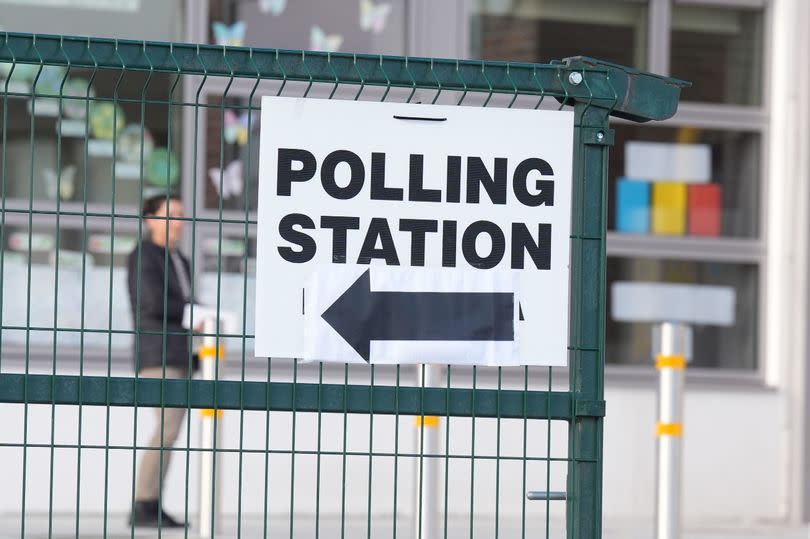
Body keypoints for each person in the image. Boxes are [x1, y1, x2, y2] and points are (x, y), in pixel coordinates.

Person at [127, 193, 195, 528]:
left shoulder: (180, 259)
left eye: (181, 215)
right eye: (171, 215)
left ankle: (152, 502)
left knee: (171, 429)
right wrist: (192, 313)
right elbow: (151, 303)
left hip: (180, 354)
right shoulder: (143, 256)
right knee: (167, 428)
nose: (179, 222)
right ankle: (144, 502)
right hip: (158, 354)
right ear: (150, 218)